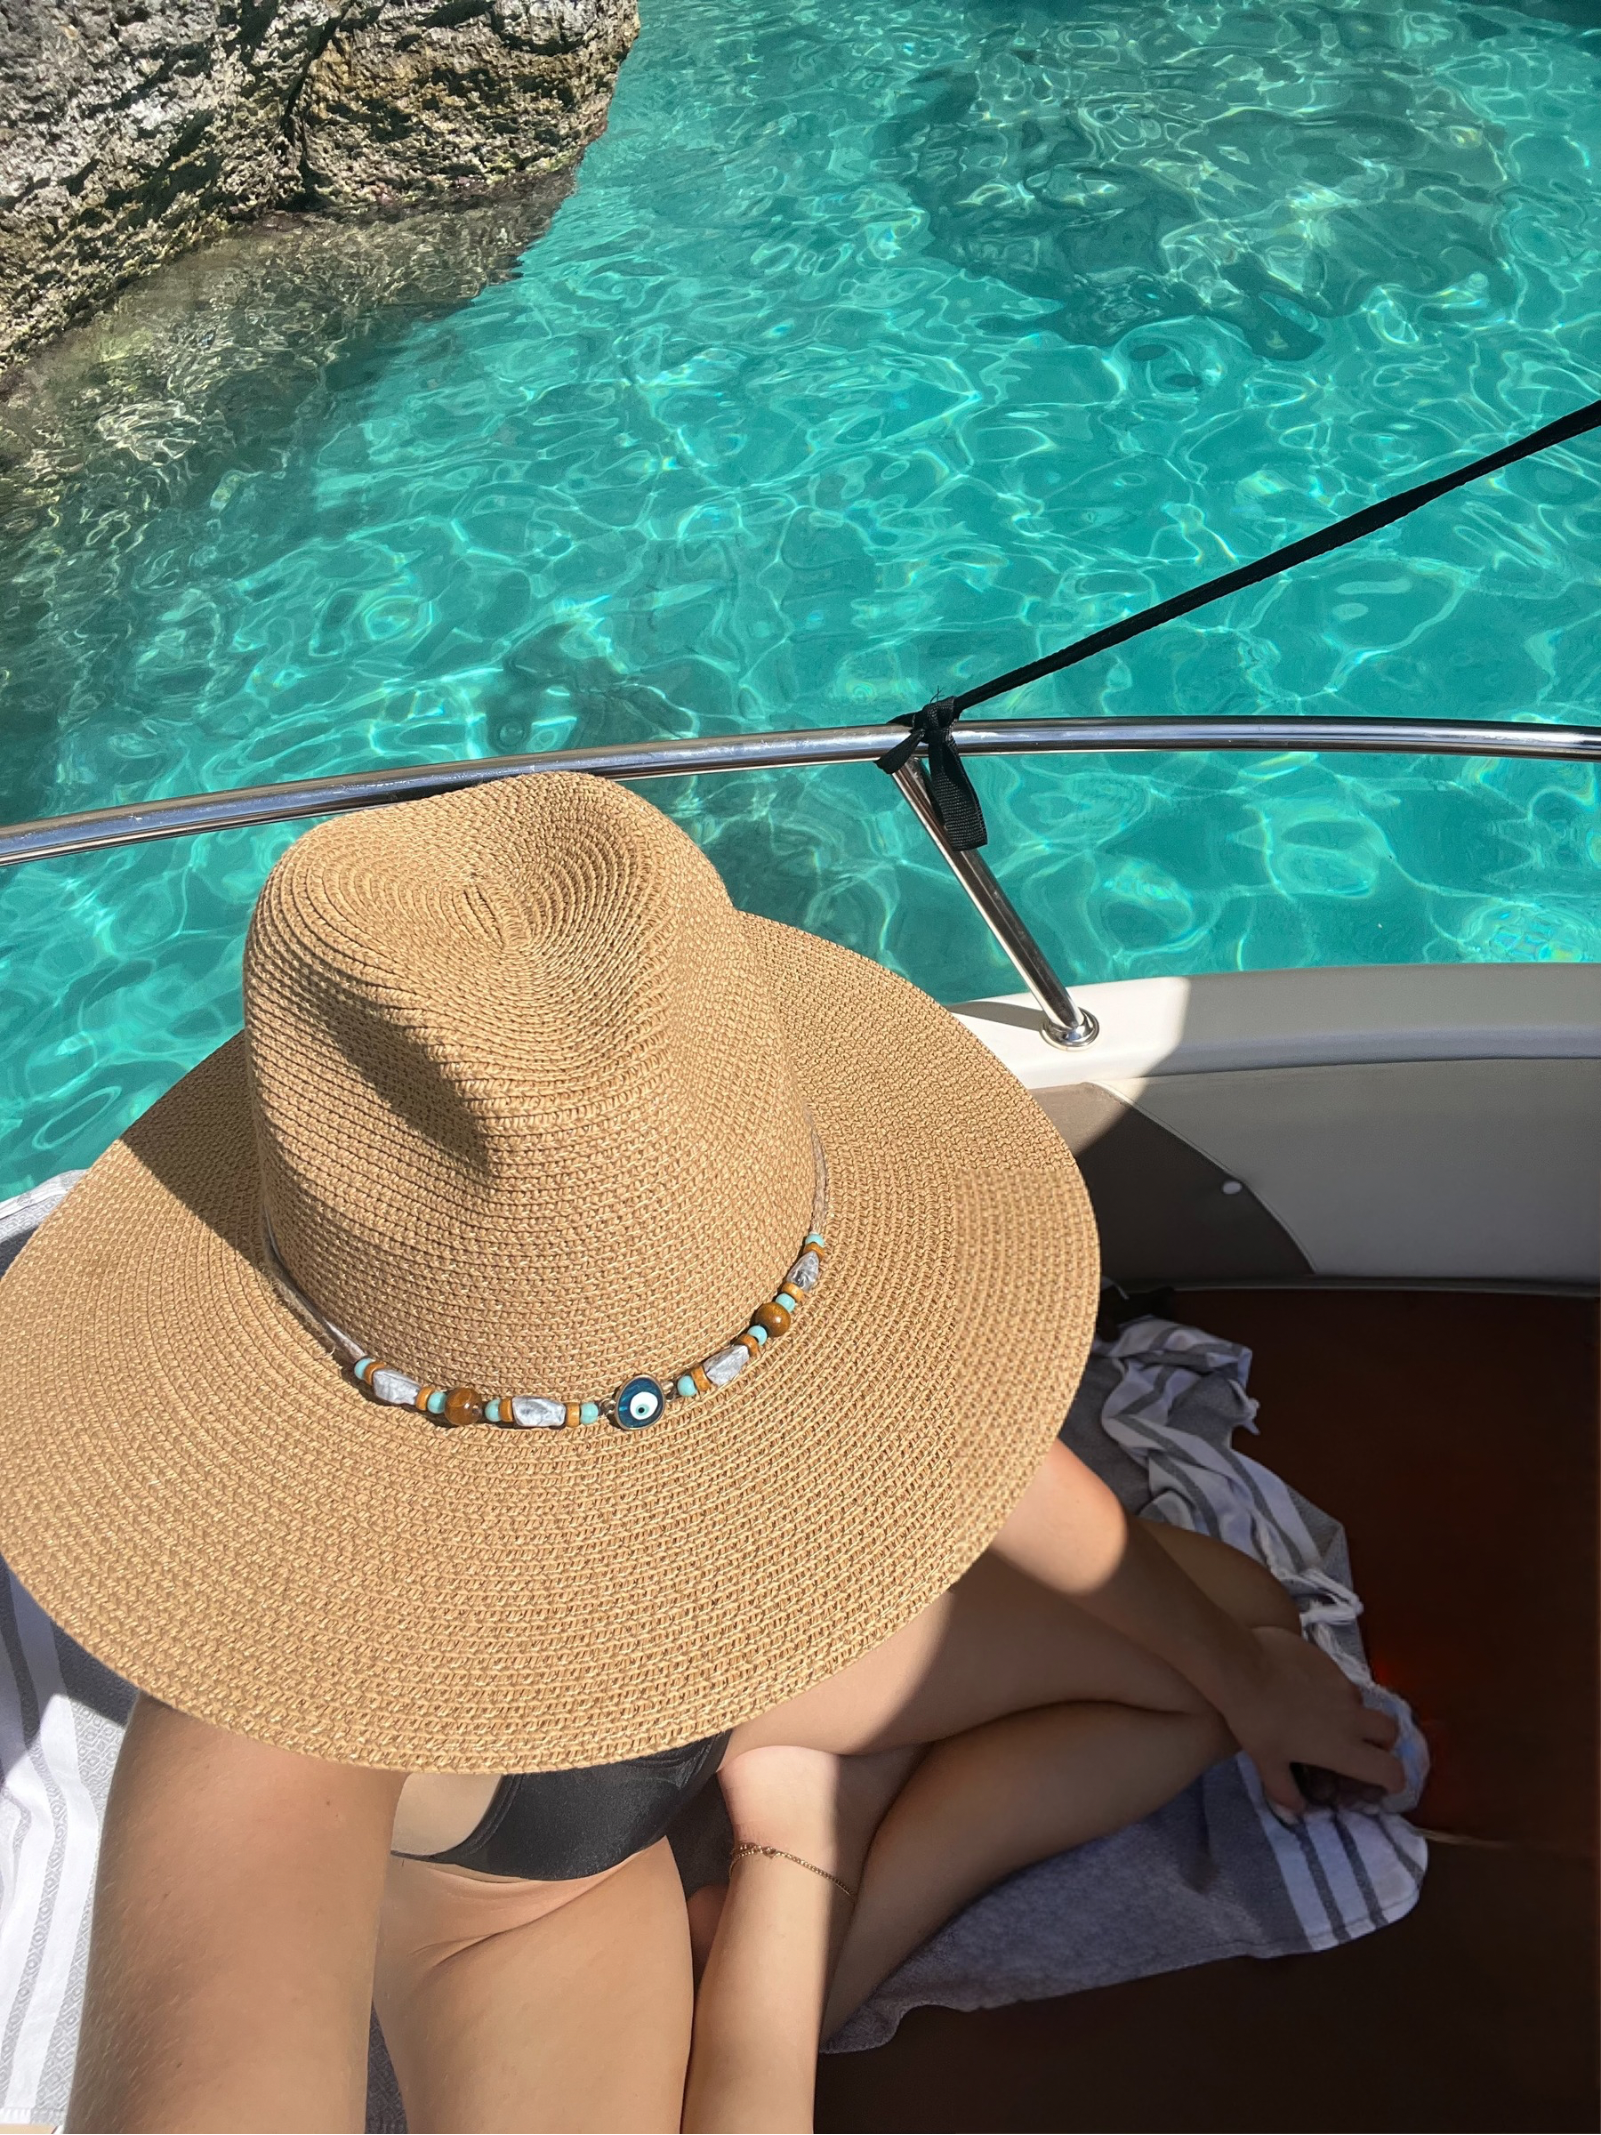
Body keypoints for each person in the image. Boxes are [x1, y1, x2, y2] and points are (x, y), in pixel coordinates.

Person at [0, 773, 1399, 2131]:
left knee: (1237, 1645)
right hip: (533, 1880)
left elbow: (971, 1450)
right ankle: (801, 1868)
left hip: (742, 1681)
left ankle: (815, 1851)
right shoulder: (267, 1682)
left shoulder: (724, 1248)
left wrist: (1245, 1676)